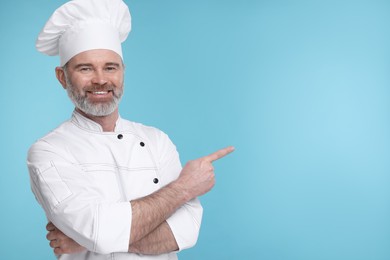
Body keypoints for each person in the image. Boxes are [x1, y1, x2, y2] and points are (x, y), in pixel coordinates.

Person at [27, 0, 234, 259]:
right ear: (62, 77)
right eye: (85, 68)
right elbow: (99, 232)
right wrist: (184, 187)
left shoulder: (157, 141)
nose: (100, 79)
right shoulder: (48, 151)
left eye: (110, 67)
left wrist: (89, 240)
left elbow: (185, 231)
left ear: (122, 72)